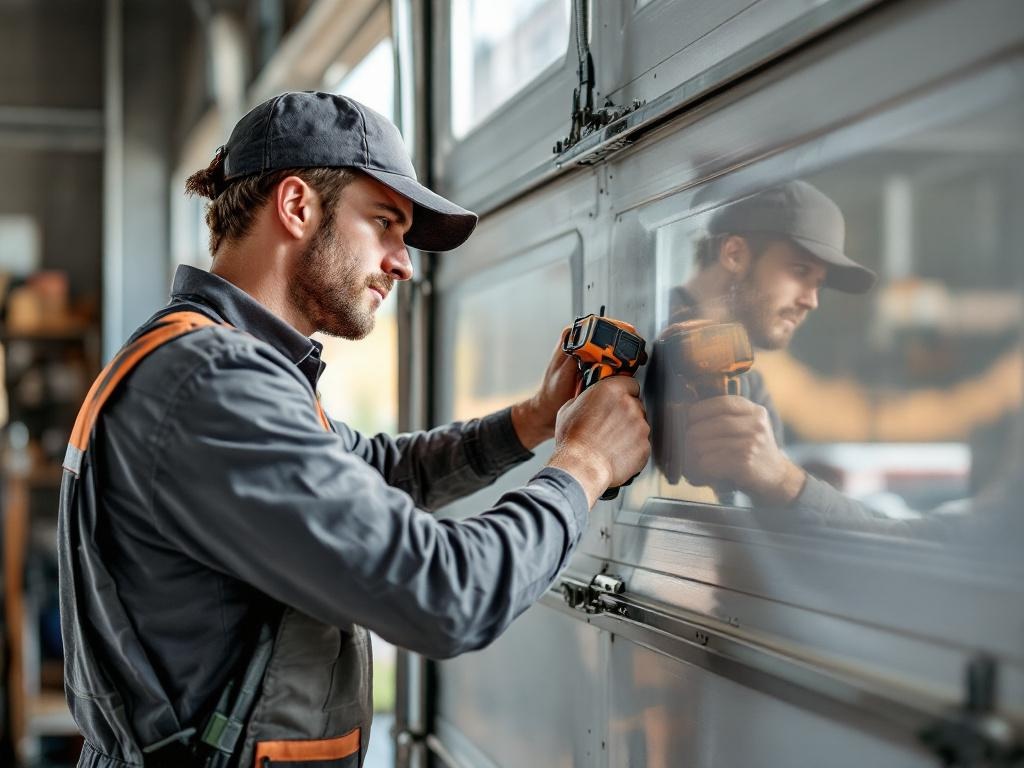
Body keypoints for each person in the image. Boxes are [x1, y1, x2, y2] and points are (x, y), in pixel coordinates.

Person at [58, 91, 650, 768]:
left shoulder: (219, 362)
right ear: (297, 206)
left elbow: (375, 471)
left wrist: (534, 421)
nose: (403, 262)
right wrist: (584, 465)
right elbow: (446, 595)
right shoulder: (210, 383)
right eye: (385, 223)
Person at [652, 180, 878, 514]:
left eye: (819, 283)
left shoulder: (749, 389)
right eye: (800, 270)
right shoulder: (632, 344)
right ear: (734, 254)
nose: (812, 300)